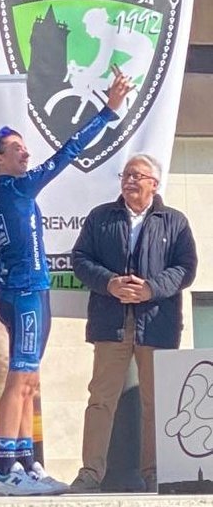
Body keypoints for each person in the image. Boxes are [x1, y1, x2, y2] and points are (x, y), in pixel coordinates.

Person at [0, 73, 133, 495]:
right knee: (20, 378)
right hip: (25, 293)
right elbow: (68, 152)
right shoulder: (14, 189)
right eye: (17, 148)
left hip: (23, 292)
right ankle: (5, 469)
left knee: (29, 379)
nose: (26, 152)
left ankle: (26, 462)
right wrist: (107, 112)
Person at [69, 153, 197, 494]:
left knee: (156, 402)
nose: (129, 181)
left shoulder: (174, 221)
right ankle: (90, 474)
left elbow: (186, 268)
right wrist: (109, 283)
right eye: (126, 175)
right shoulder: (101, 217)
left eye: (137, 175)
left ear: (154, 183)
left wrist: (151, 289)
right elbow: (80, 259)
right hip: (111, 324)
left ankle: (155, 473)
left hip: (157, 324)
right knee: (100, 399)